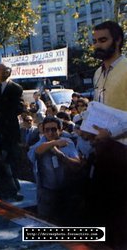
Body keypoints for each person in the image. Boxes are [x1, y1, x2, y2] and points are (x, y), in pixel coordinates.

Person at [87, 20, 127, 249]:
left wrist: (111, 132)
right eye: (95, 41)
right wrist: (88, 130)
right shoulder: (97, 74)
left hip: (123, 153)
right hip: (102, 152)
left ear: (118, 40)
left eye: (103, 40)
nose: (97, 46)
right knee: (103, 218)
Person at [28, 117, 82, 225]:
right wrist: (54, 143)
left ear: (60, 130)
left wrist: (59, 154)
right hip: (46, 191)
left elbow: (76, 163)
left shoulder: (67, 142)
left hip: (65, 191)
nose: (50, 133)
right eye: (47, 130)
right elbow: (37, 151)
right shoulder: (40, 143)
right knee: (45, 222)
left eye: (53, 129)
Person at [0, 62, 24, 201]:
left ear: (8, 72)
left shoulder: (16, 89)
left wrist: (0, 111)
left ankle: (14, 190)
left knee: (9, 160)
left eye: (1, 71)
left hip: (9, 130)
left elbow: (19, 108)